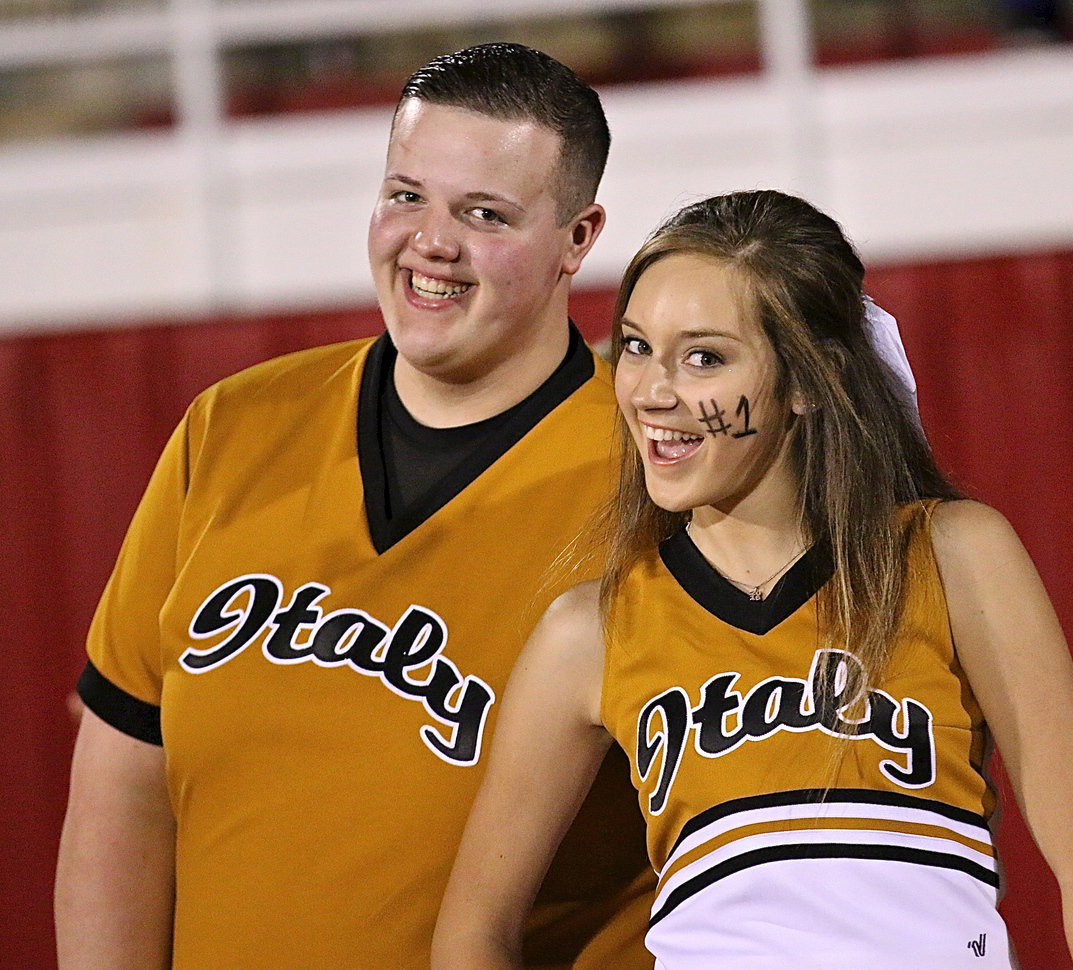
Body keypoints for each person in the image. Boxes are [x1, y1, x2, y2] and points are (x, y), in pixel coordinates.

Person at [431, 190, 1073, 969]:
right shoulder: (594, 631)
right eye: (637, 347)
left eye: (704, 357)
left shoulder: (949, 557)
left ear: (811, 380)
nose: (649, 390)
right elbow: (473, 933)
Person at [55, 43, 656, 970]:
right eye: (406, 195)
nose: (431, 243)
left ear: (579, 238)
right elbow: (123, 780)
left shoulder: (657, 480)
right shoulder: (233, 427)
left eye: (483, 214)